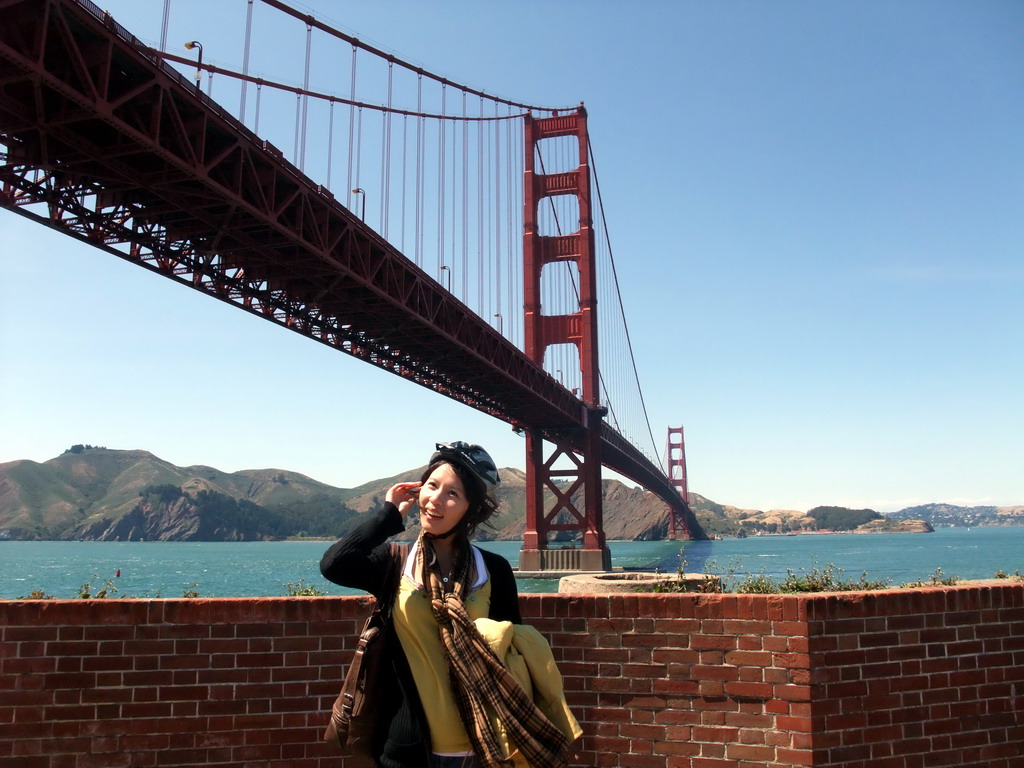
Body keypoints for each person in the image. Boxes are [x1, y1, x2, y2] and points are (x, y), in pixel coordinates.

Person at [320, 441, 579, 768]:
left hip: (487, 748)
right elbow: (335, 564)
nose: (435, 500)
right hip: (408, 752)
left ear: (470, 508)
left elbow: (513, 661)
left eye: (452, 494)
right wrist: (388, 516)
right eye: (431, 486)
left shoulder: (494, 570)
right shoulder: (395, 563)